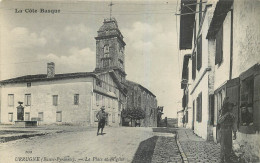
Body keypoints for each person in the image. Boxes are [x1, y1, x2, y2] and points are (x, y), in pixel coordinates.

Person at [218, 97, 237, 163]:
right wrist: (226, 115)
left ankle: (228, 158)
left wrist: (234, 133)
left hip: (229, 131)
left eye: (231, 106)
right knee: (223, 146)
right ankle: (221, 159)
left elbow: (234, 124)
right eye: (229, 106)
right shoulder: (222, 113)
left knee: (229, 145)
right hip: (223, 131)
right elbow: (219, 121)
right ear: (227, 107)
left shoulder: (232, 115)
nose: (230, 108)